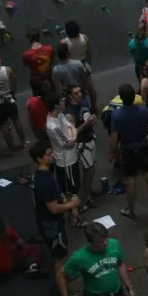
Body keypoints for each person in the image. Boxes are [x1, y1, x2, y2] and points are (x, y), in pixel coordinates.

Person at [30, 138, 80, 296]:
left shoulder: (43, 175)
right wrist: (71, 204)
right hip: (52, 226)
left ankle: (66, 276)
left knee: (62, 253)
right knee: (59, 258)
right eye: (48, 154)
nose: (52, 156)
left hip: (49, 223)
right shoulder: (44, 181)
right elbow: (53, 208)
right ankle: (65, 294)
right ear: (39, 159)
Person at [110, 83, 148, 218]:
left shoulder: (116, 115)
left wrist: (113, 153)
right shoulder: (143, 110)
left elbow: (114, 138)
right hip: (143, 148)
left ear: (121, 98)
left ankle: (130, 210)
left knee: (131, 179)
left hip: (128, 150)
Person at [61, 222, 134, 296]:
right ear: (90, 242)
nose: (106, 243)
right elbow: (61, 275)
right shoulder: (79, 257)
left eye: (106, 238)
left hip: (117, 293)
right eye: (100, 242)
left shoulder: (114, 244)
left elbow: (120, 264)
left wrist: (129, 287)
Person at [45, 93, 85, 228]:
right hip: (66, 161)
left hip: (71, 157)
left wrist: (73, 134)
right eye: (62, 101)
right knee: (70, 189)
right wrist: (74, 136)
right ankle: (75, 216)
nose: (64, 102)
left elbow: (71, 127)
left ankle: (75, 213)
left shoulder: (59, 115)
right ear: (56, 105)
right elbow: (68, 142)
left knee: (74, 187)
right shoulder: (52, 126)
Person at [65, 84, 98, 212]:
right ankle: (88, 196)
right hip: (81, 144)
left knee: (91, 169)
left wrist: (92, 122)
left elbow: (89, 119)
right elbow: (73, 133)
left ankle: (88, 190)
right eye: (76, 93)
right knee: (88, 170)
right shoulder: (70, 114)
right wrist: (86, 124)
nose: (79, 94)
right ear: (70, 96)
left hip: (90, 139)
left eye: (80, 92)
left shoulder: (84, 102)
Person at [60, 20, 98, 113]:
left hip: (71, 66)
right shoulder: (84, 37)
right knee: (90, 87)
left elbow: (63, 56)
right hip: (84, 63)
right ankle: (93, 106)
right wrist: (88, 64)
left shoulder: (64, 42)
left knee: (74, 88)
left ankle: (77, 108)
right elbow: (88, 53)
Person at [22, 29, 54, 97]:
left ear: (29, 39)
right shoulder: (49, 48)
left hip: (36, 80)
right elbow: (51, 61)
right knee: (52, 98)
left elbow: (28, 65)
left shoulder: (26, 54)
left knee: (39, 100)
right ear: (38, 37)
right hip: (49, 77)